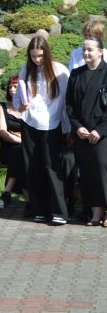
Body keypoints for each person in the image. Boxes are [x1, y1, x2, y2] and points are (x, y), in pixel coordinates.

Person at [15, 36, 70, 225]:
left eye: (40, 56)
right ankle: (39, 209)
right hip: (29, 122)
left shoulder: (59, 71)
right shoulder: (26, 70)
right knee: (33, 167)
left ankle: (59, 211)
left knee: (51, 167)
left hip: (51, 123)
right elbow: (18, 99)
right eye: (33, 56)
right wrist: (21, 106)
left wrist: (67, 127)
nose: (37, 60)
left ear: (46, 53)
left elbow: (65, 101)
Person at [66, 36, 107, 226]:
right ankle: (96, 212)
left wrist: (100, 130)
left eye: (90, 49)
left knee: (102, 168)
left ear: (100, 51)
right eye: (84, 49)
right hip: (82, 133)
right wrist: (77, 127)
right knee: (88, 173)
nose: (86, 53)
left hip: (103, 134)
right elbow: (70, 106)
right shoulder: (76, 74)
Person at [0, 76, 25, 209]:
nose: (12, 89)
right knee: (19, 153)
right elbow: (3, 132)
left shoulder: (27, 107)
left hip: (24, 150)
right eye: (10, 87)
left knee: (20, 154)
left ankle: (7, 193)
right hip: (8, 149)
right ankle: (30, 200)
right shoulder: (2, 106)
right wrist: (22, 140)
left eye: (15, 87)